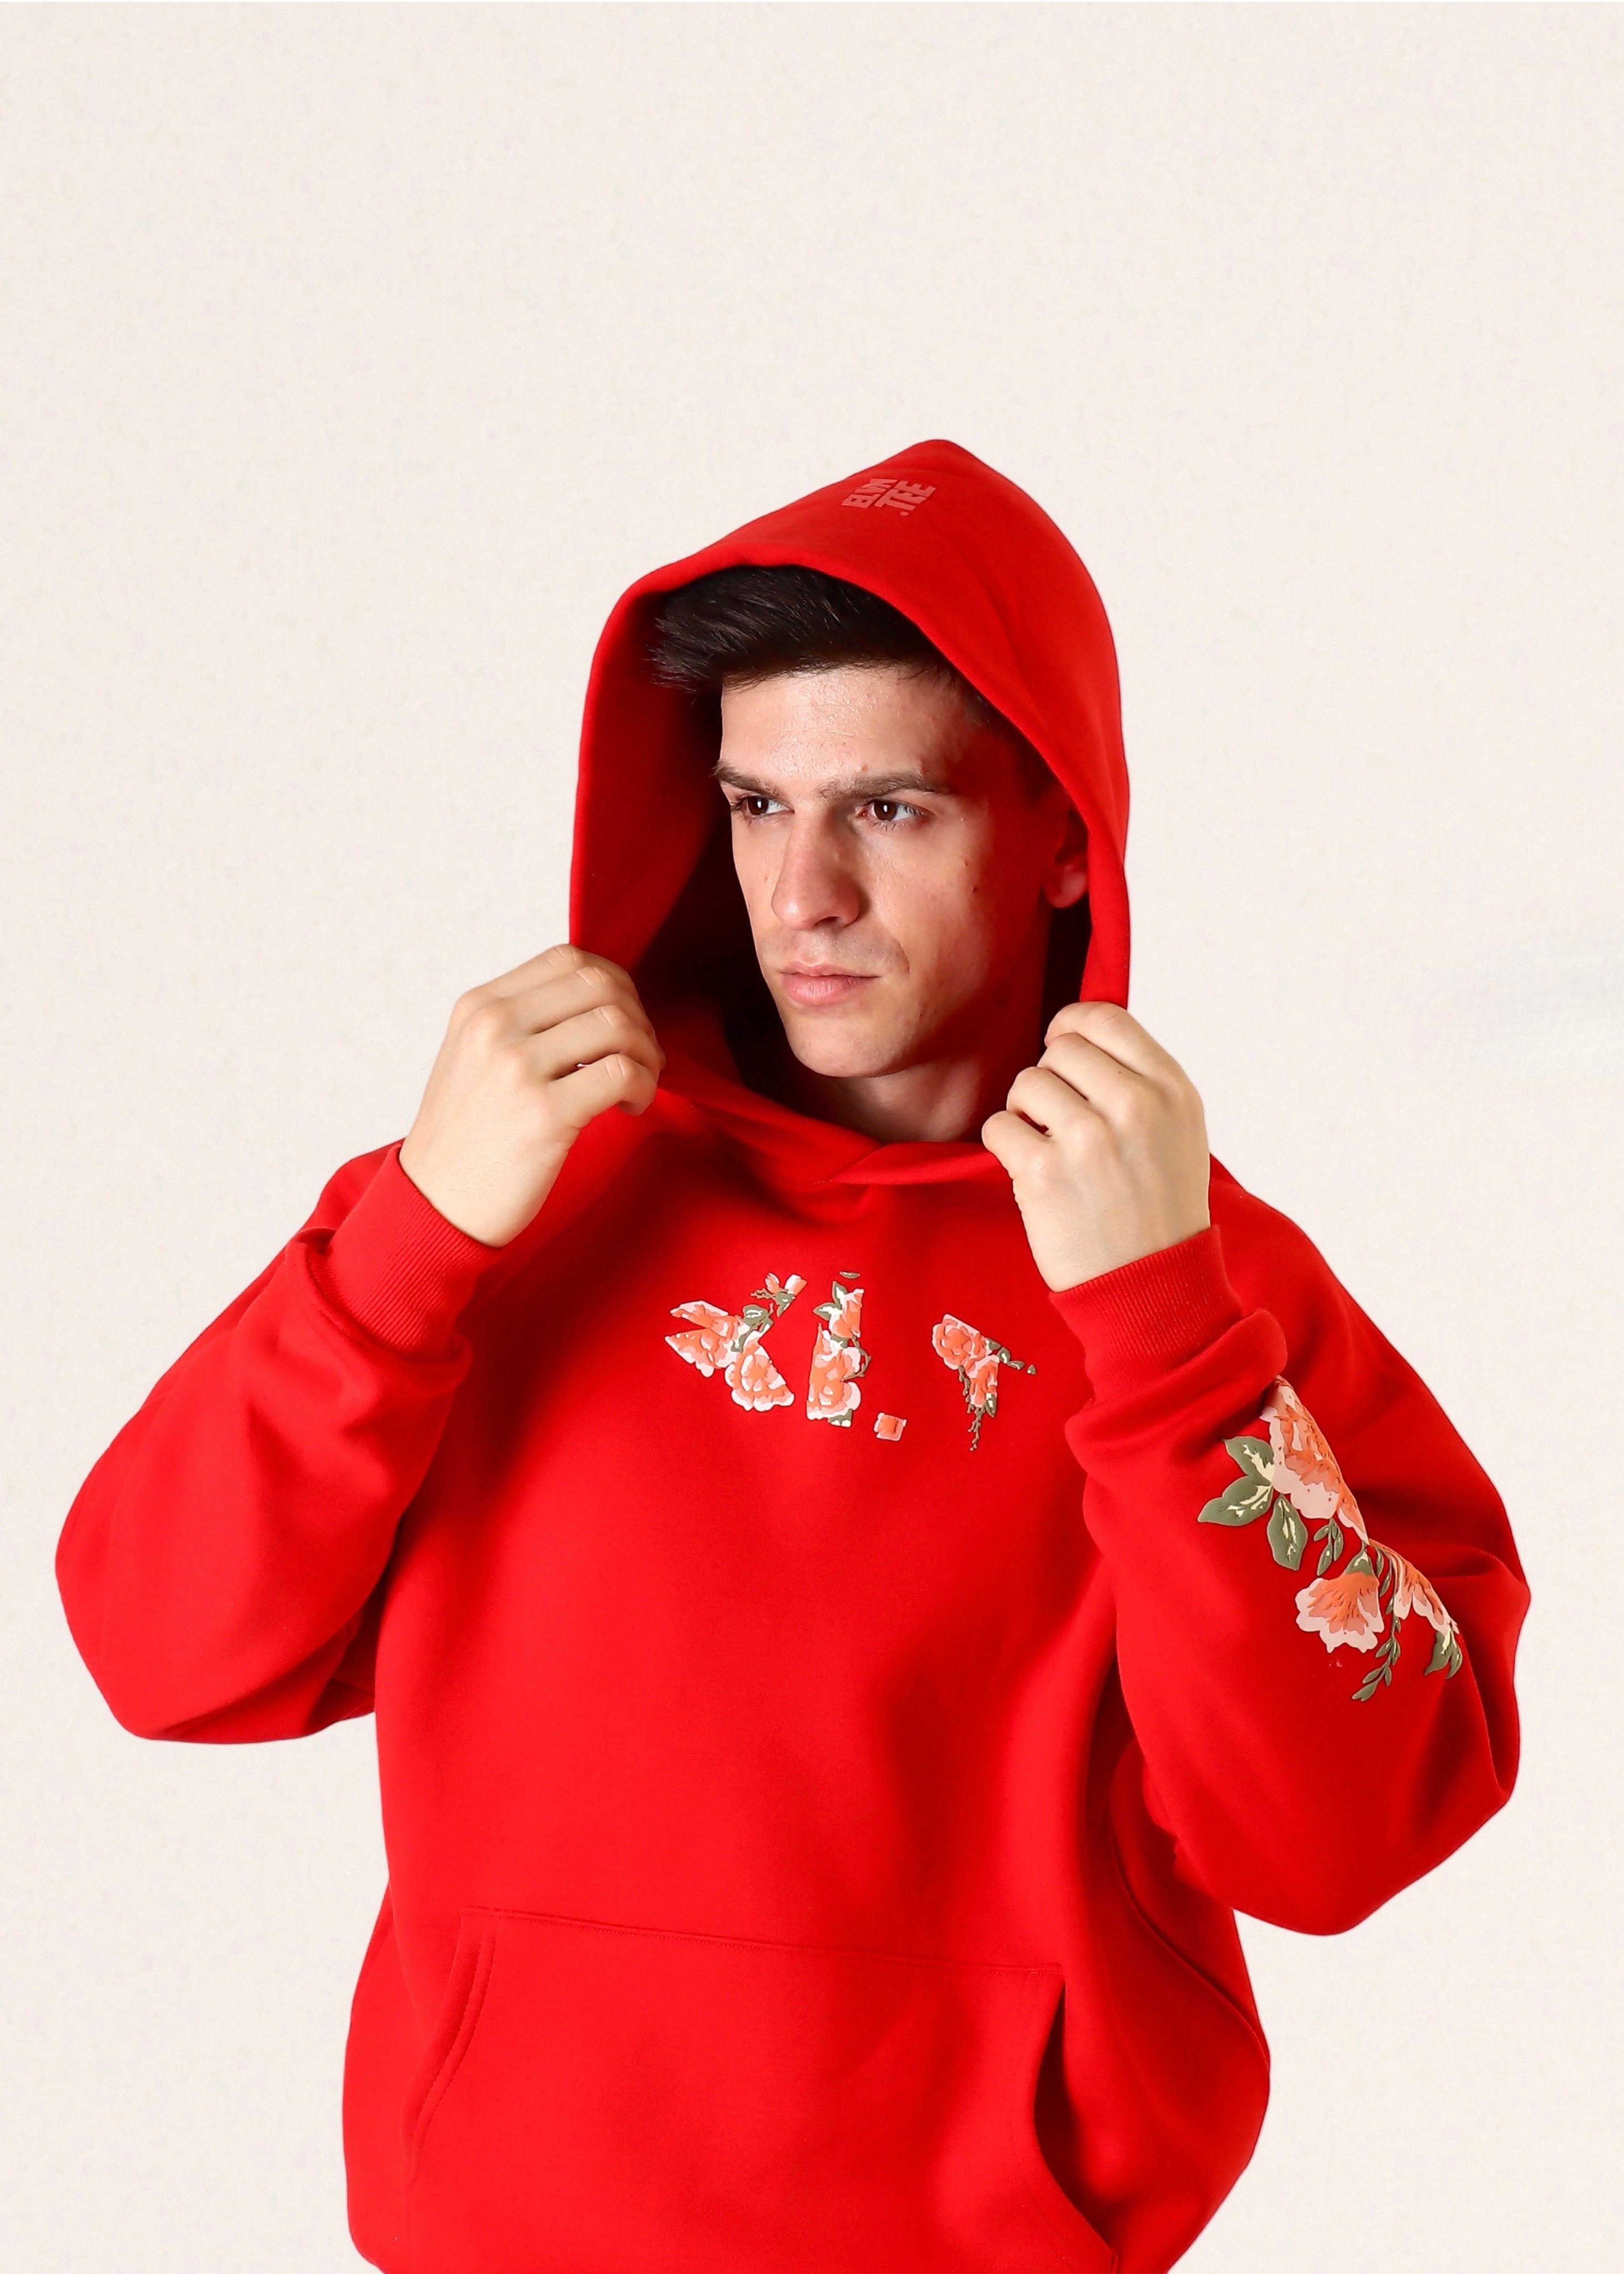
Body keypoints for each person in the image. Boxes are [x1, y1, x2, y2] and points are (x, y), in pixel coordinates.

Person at [57, 439, 1530, 2274]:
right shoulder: (504, 1196)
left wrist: (1160, 1336)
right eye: (757, 804)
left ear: (1064, 837)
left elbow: (1345, 1838)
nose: (803, 891)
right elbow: (159, 1650)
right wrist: (414, 1237)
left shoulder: (1202, 1286)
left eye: (889, 809)